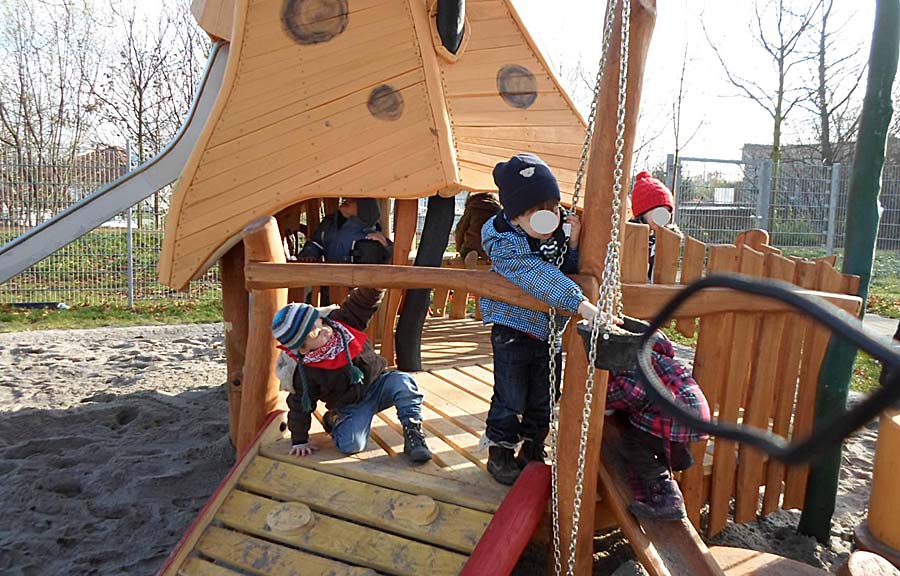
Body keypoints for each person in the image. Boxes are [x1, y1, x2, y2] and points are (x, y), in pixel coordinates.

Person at [478, 153, 600, 485]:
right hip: (513, 328)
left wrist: (573, 242)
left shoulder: (553, 234)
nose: (549, 219)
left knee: (545, 395)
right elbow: (537, 276)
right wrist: (581, 304)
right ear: (516, 218)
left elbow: (563, 268)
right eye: (538, 214)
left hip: (547, 333)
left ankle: (532, 449)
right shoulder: (504, 241)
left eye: (553, 210)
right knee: (511, 396)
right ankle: (500, 451)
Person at [271, 287, 433, 464]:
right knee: (351, 444)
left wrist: (373, 287)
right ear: (303, 349)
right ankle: (334, 420)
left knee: (404, 382)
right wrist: (299, 440)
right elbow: (300, 405)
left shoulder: (341, 322)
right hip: (351, 405)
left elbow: (360, 304)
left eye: (321, 322)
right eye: (317, 333)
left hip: (378, 385)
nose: (326, 330)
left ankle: (413, 432)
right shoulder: (305, 371)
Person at [606, 331, 710, 520]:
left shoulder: (630, 362)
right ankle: (679, 455)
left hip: (672, 416)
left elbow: (631, 394)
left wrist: (605, 401)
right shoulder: (657, 356)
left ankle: (667, 495)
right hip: (693, 411)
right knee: (656, 436)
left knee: (632, 443)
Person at [297, 197, 391, 264]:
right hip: (328, 284)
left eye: (354, 199)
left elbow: (391, 258)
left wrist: (386, 247)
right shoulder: (329, 224)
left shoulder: (371, 235)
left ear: (365, 208)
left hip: (356, 287)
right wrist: (308, 254)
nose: (347, 200)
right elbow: (316, 244)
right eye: (347, 198)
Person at [629, 171, 681, 280]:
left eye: (666, 213)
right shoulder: (629, 234)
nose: (662, 218)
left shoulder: (661, 239)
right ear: (642, 211)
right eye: (659, 212)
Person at [454, 192, 502, 266]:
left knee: (468, 249)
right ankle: (491, 256)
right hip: (491, 243)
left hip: (473, 242)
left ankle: (471, 253)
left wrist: (459, 247)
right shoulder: (499, 211)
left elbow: (461, 229)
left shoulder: (471, 208)